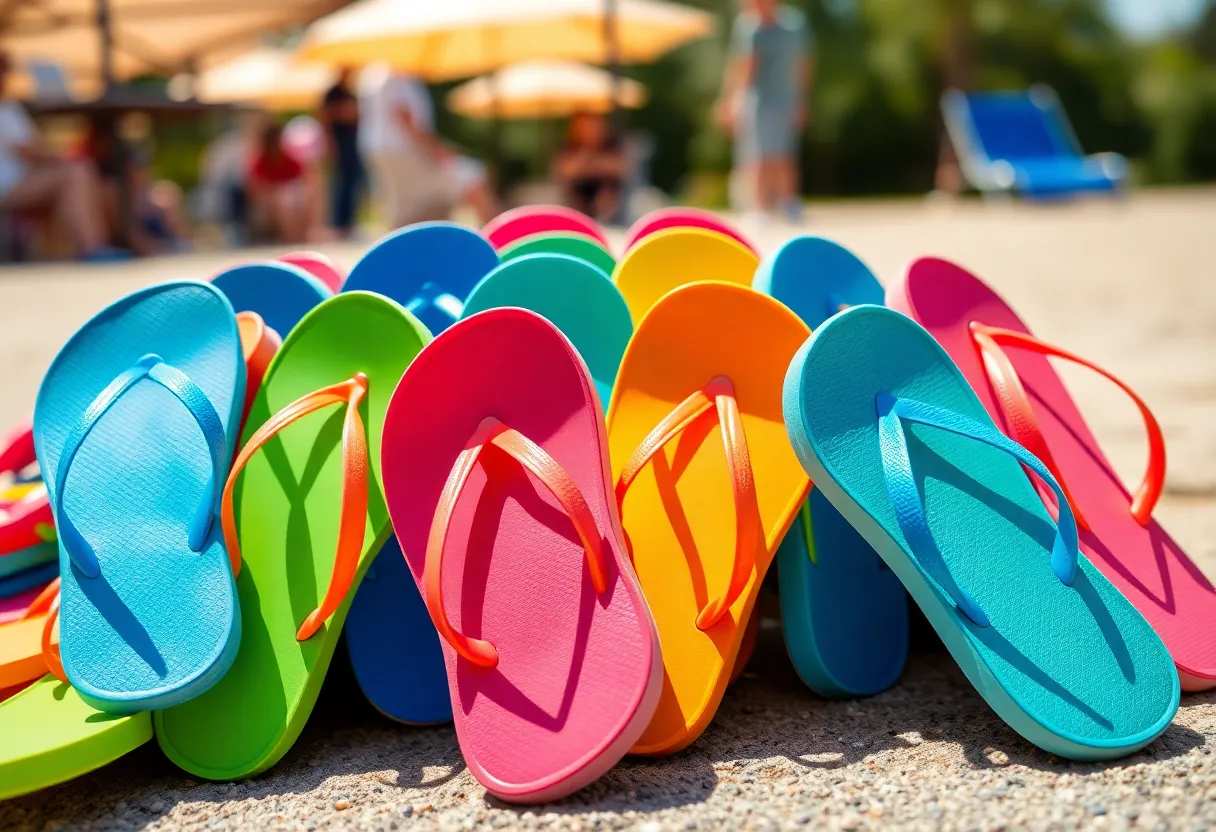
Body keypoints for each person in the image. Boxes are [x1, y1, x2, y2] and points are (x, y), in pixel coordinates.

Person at [0, 52, 119, 260]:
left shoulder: (9, 107)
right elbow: (31, 153)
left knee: (85, 175)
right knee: (77, 172)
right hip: (8, 186)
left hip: (20, 181)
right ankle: (93, 247)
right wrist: (62, 158)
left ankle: (90, 245)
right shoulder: (5, 109)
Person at [358, 64, 497, 228]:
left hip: (380, 152)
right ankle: (495, 233)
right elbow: (405, 119)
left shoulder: (372, 77)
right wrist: (438, 150)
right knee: (471, 175)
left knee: (408, 208)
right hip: (407, 153)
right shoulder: (399, 77)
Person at [717, 0, 812, 222]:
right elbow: (742, 66)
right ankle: (762, 208)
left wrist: (801, 100)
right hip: (758, 100)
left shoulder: (794, 24)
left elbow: (802, 63)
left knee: (785, 153)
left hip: (785, 98)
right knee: (758, 155)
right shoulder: (748, 26)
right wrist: (732, 100)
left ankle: (789, 202)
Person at [247, 122, 319, 244]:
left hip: (291, 195)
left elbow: (307, 178)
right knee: (281, 202)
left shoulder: (288, 156)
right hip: (272, 200)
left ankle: (300, 235)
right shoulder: (260, 161)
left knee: (293, 199)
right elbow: (256, 188)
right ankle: (291, 238)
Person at [554, 112, 626, 223]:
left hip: (608, 202)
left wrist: (588, 164)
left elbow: (620, 169)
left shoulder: (612, 144)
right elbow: (568, 172)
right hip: (577, 201)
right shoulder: (570, 146)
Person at [319, 68, 363, 239]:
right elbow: (326, 118)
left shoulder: (351, 92)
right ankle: (339, 225)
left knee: (353, 184)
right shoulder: (333, 93)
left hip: (353, 145)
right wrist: (331, 146)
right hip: (340, 145)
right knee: (342, 185)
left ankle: (349, 224)